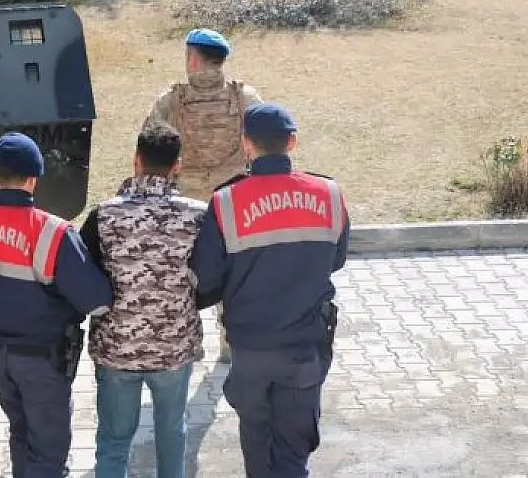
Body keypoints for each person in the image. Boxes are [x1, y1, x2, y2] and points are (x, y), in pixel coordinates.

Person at [188, 102, 350, 478]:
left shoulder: (226, 201)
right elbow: (336, 259)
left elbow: (206, 278)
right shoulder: (328, 194)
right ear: (292, 142)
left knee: (257, 447)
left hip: (250, 349)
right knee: (292, 455)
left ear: (247, 144)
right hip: (304, 347)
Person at [0, 131, 115, 478]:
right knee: (48, 453)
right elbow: (98, 302)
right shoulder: (52, 231)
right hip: (41, 361)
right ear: (34, 179)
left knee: (21, 433)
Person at [78, 121, 207, 478]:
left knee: (115, 442)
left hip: (116, 350)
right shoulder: (199, 215)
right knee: (171, 433)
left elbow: (80, 277)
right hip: (174, 349)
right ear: (177, 164)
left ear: (136, 159)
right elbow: (212, 277)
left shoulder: (103, 215)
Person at [143, 27, 263, 363]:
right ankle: (230, 343)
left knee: (184, 270)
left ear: (194, 59)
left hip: (186, 201)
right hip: (233, 200)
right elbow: (264, 144)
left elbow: (150, 146)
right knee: (233, 268)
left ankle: (179, 343)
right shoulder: (245, 97)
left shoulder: (170, 99)